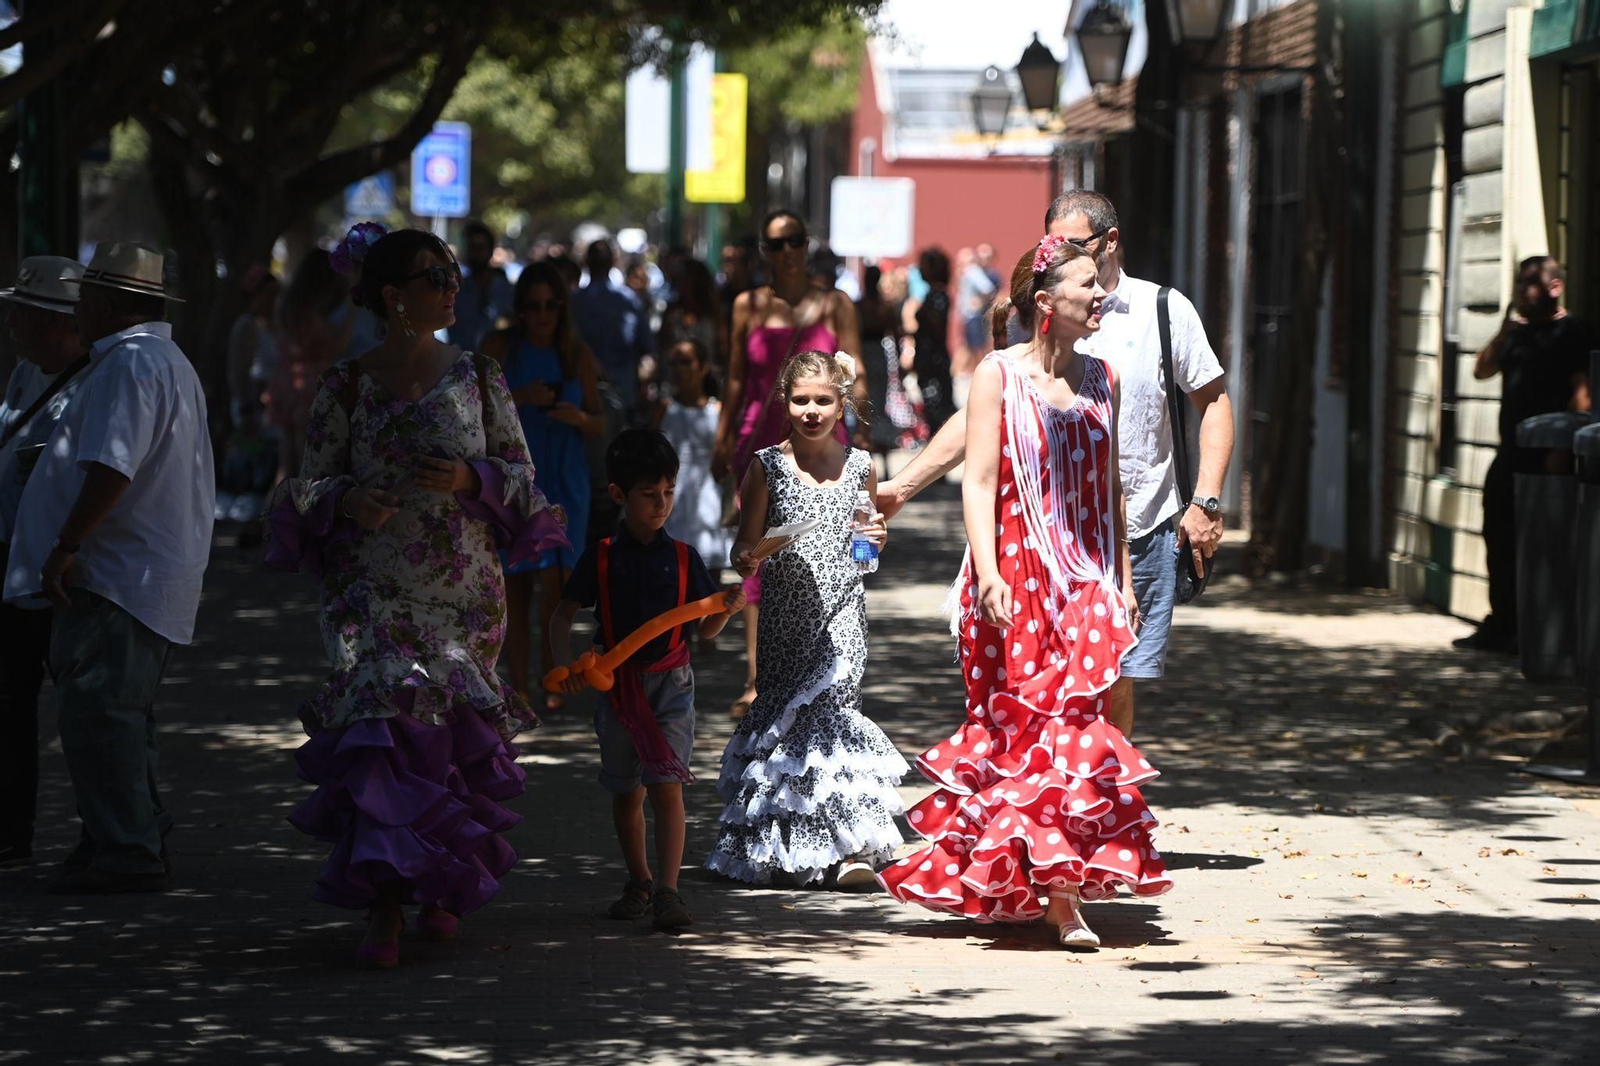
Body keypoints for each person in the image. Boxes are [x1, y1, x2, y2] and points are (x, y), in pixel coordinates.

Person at [264, 223, 566, 967]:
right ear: (392, 294)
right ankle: (385, 906)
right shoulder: (348, 382)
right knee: (383, 734)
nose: (453, 288)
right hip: (368, 588)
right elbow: (302, 486)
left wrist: (471, 480)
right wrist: (348, 498)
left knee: (445, 739)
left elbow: (524, 479)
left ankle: (442, 887)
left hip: (461, 587)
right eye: (436, 277)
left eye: (455, 275)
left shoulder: (479, 376)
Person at [878, 237, 1173, 947]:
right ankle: (1018, 875)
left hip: (1088, 582)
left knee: (1075, 732)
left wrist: (1124, 582)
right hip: (1016, 577)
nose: (1100, 295)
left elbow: (1109, 490)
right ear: (1046, 303)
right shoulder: (998, 377)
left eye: (1099, 284)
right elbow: (977, 480)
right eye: (1085, 285)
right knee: (1021, 737)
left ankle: (1065, 894)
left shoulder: (1106, 377)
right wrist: (986, 574)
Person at [877, 191, 1234, 741]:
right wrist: (904, 485)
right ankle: (1047, 806)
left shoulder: (1164, 310)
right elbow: (981, 422)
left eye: (1072, 243)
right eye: (1052, 242)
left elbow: (1213, 402)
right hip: (1035, 543)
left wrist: (1206, 500)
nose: (1057, 251)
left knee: (1113, 683)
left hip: (1133, 531)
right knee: (1041, 689)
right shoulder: (1032, 315)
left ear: (1110, 241)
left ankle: (1100, 805)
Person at [3, 243, 215, 894]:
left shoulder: (132, 364)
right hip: (130, 575)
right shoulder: (154, 361)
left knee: (103, 715)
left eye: (88, 299)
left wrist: (67, 545)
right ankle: (119, 836)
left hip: (119, 576)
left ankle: (126, 847)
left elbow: (113, 468)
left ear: (107, 305)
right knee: (111, 714)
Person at [707, 350, 904, 888]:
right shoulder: (766, 467)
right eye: (800, 400)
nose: (811, 410)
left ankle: (851, 849)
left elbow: (866, 551)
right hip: (784, 624)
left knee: (833, 719)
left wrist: (876, 540)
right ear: (784, 404)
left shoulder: (861, 466)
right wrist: (747, 558)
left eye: (823, 400)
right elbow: (744, 545)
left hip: (842, 618)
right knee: (790, 730)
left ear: (842, 404)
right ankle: (784, 844)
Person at [548, 429, 746, 930]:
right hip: (616, 690)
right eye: (648, 494)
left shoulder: (682, 557)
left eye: (668, 493)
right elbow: (562, 614)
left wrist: (728, 608)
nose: (661, 505)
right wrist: (563, 663)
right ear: (618, 494)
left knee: (667, 788)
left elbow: (704, 630)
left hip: (672, 685)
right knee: (626, 791)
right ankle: (637, 880)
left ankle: (668, 890)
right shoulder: (601, 558)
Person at [711, 210, 870, 720]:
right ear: (764, 250)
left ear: (807, 245)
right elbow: (736, 377)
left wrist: (859, 425)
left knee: (828, 552)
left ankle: (826, 663)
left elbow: (857, 371)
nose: (786, 252)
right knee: (759, 554)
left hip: (824, 437)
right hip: (760, 435)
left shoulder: (835, 303)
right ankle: (759, 677)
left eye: (795, 241)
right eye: (775, 244)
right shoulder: (747, 306)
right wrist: (721, 437)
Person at [481, 262, 604, 706]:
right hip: (514, 482)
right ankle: (516, 689)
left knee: (559, 588)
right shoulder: (500, 349)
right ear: (520, 309)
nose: (542, 314)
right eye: (533, 306)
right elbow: (466, 408)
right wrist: (519, 398)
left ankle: (555, 676)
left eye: (551, 305)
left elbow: (599, 421)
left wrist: (579, 418)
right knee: (514, 589)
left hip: (566, 481)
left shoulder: (576, 353)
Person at [0, 256, 89, 868]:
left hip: (66, 572)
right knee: (9, 703)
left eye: (23, 316)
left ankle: (115, 837)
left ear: (59, 324)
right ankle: (11, 832)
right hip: (13, 562)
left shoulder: (96, 384)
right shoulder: (25, 375)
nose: (11, 326)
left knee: (90, 709)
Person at [1456, 255, 1593, 652]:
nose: (1521, 292)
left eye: (1530, 284)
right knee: (1499, 538)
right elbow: (1481, 371)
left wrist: (1562, 448)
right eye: (1518, 284)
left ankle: (1544, 631)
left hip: (1548, 457)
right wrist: (1502, 334)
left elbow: (1582, 393)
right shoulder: (1516, 333)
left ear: (1555, 288)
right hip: (1510, 453)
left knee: (1546, 546)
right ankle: (1502, 625)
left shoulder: (1573, 333)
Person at [654, 338, 731, 579]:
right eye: (674, 363)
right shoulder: (664, 409)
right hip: (669, 503)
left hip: (708, 503)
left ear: (703, 367)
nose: (679, 369)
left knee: (708, 580)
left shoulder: (717, 411)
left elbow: (726, 463)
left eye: (686, 362)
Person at [572, 238, 653, 411]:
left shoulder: (574, 301)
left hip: (583, 394)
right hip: (622, 392)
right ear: (613, 262)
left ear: (585, 262)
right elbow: (646, 344)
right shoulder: (629, 300)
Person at [448, 220, 515, 352]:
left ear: (490, 251)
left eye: (480, 248)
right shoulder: (455, 291)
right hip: (462, 363)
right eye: (471, 247)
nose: (476, 254)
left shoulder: (507, 291)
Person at [914, 246, 956, 435]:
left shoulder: (938, 296)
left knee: (937, 407)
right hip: (928, 359)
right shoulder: (931, 294)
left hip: (934, 360)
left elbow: (937, 327)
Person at [959, 242, 1001, 360]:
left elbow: (988, 289)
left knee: (977, 347)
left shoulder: (974, 272)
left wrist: (980, 302)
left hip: (976, 315)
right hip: (969, 314)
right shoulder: (972, 272)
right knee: (969, 346)